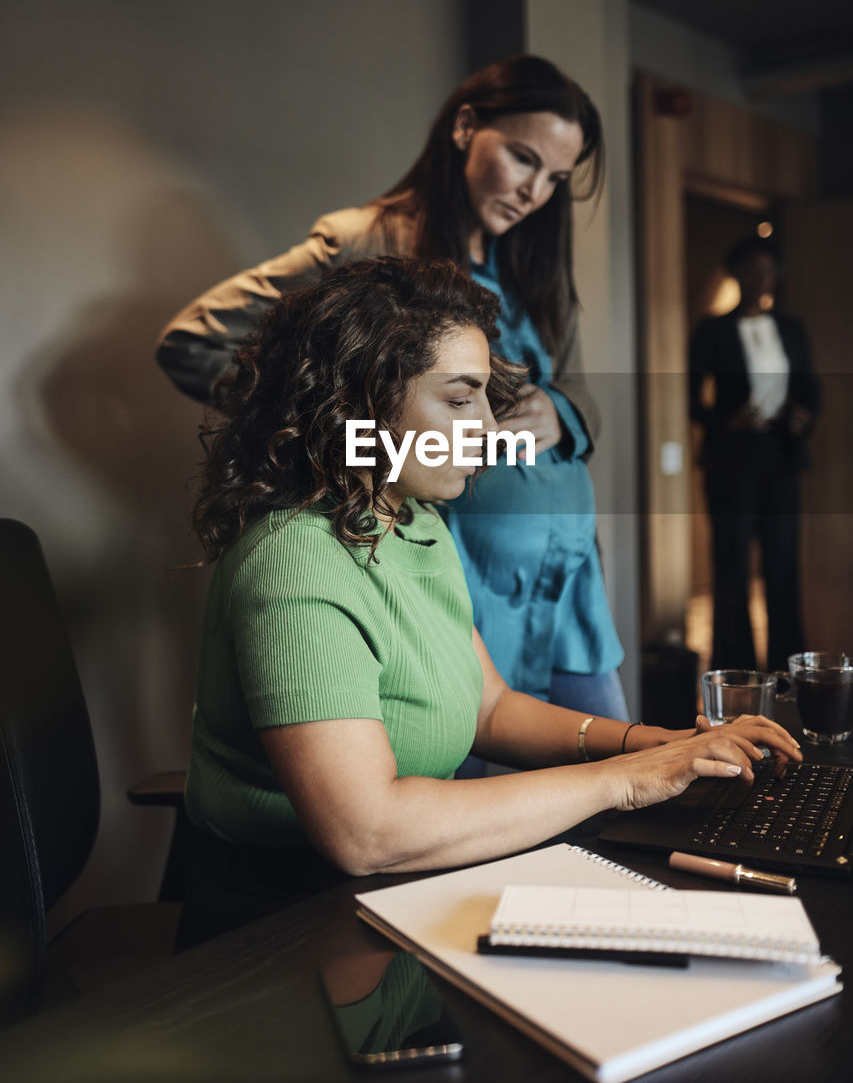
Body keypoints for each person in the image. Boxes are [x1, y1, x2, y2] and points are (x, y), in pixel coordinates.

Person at [177, 256, 801, 948]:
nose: (486, 424)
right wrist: (621, 780)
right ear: (362, 404)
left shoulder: (413, 520)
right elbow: (367, 832)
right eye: (458, 397)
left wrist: (650, 744)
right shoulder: (296, 560)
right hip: (279, 928)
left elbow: (489, 707)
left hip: (394, 892)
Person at [157, 54, 627, 722]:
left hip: (567, 579)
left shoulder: (527, 258)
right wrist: (342, 430)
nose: (534, 193)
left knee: (612, 790)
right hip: (460, 576)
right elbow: (191, 344)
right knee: (494, 795)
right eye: (523, 160)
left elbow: (572, 379)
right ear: (466, 126)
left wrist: (563, 408)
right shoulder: (364, 242)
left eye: (555, 178)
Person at [689, 235, 820, 672]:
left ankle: (788, 673)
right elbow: (693, 400)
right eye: (752, 268)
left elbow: (810, 389)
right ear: (738, 273)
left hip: (781, 459)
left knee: (783, 567)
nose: (761, 277)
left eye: (768, 269)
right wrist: (728, 420)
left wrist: (804, 418)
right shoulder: (713, 329)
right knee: (732, 570)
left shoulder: (791, 327)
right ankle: (737, 672)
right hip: (731, 462)